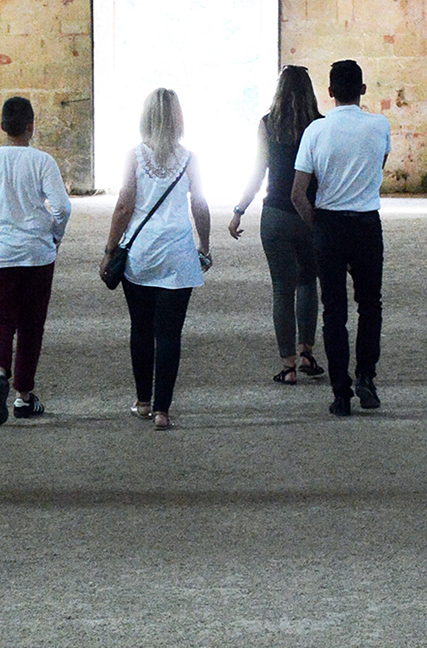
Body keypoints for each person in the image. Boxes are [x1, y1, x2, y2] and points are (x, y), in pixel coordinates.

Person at [102, 88, 212, 430]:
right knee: (169, 334)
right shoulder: (190, 159)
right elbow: (199, 204)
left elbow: (124, 205)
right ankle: (163, 410)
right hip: (178, 253)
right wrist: (205, 245)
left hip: (142, 252)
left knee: (141, 327)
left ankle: (143, 402)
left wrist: (109, 250)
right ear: (178, 119)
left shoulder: (134, 156)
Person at [291, 59, 391, 415]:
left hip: (330, 225)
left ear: (330, 91)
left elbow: (297, 193)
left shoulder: (315, 131)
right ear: (363, 90)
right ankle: (366, 377)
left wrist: (317, 225)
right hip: (366, 224)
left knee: (334, 311)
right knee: (370, 305)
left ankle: (340, 393)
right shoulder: (379, 125)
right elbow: (376, 167)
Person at [0, 94, 72, 424]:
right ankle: (23, 397)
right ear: (31, 127)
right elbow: (63, 207)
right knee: (31, 325)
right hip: (36, 254)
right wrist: (55, 234)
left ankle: (0, 373)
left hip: (0, 254)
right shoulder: (43, 162)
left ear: (2, 127)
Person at [228, 65, 325, 383]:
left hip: (275, 216)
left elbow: (258, 172)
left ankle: (288, 366)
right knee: (308, 282)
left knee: (282, 289)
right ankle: (307, 351)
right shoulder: (320, 125)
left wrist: (240, 209)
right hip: (310, 215)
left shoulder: (268, 124)